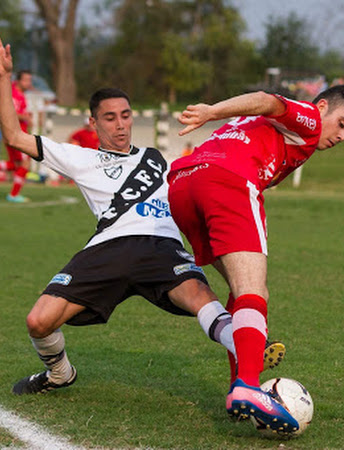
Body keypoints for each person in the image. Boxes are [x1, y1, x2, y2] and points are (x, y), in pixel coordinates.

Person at [0, 38, 283, 398]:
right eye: (109, 117)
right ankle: (59, 374)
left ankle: (251, 353)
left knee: (201, 298)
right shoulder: (80, 158)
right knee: (37, 322)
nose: (120, 125)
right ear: (93, 122)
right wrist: (4, 77)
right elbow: (14, 136)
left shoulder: (160, 159)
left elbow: (201, 191)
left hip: (161, 248)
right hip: (109, 248)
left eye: (125, 115)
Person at [168, 86, 344, 434]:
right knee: (253, 291)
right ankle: (247, 385)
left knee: (241, 289)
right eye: (340, 123)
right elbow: (267, 99)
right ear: (321, 107)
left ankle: (240, 384)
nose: (340, 135)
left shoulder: (261, 127)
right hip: (226, 181)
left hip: (183, 185)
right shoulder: (308, 119)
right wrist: (210, 111)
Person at [0, 69, 32, 202]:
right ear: (19, 80)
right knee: (25, 164)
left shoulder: (20, 94)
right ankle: (13, 195)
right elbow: (8, 113)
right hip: (15, 135)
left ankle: (14, 194)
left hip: (16, 134)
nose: (29, 83)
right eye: (26, 80)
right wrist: (25, 117)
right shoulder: (13, 93)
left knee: (16, 164)